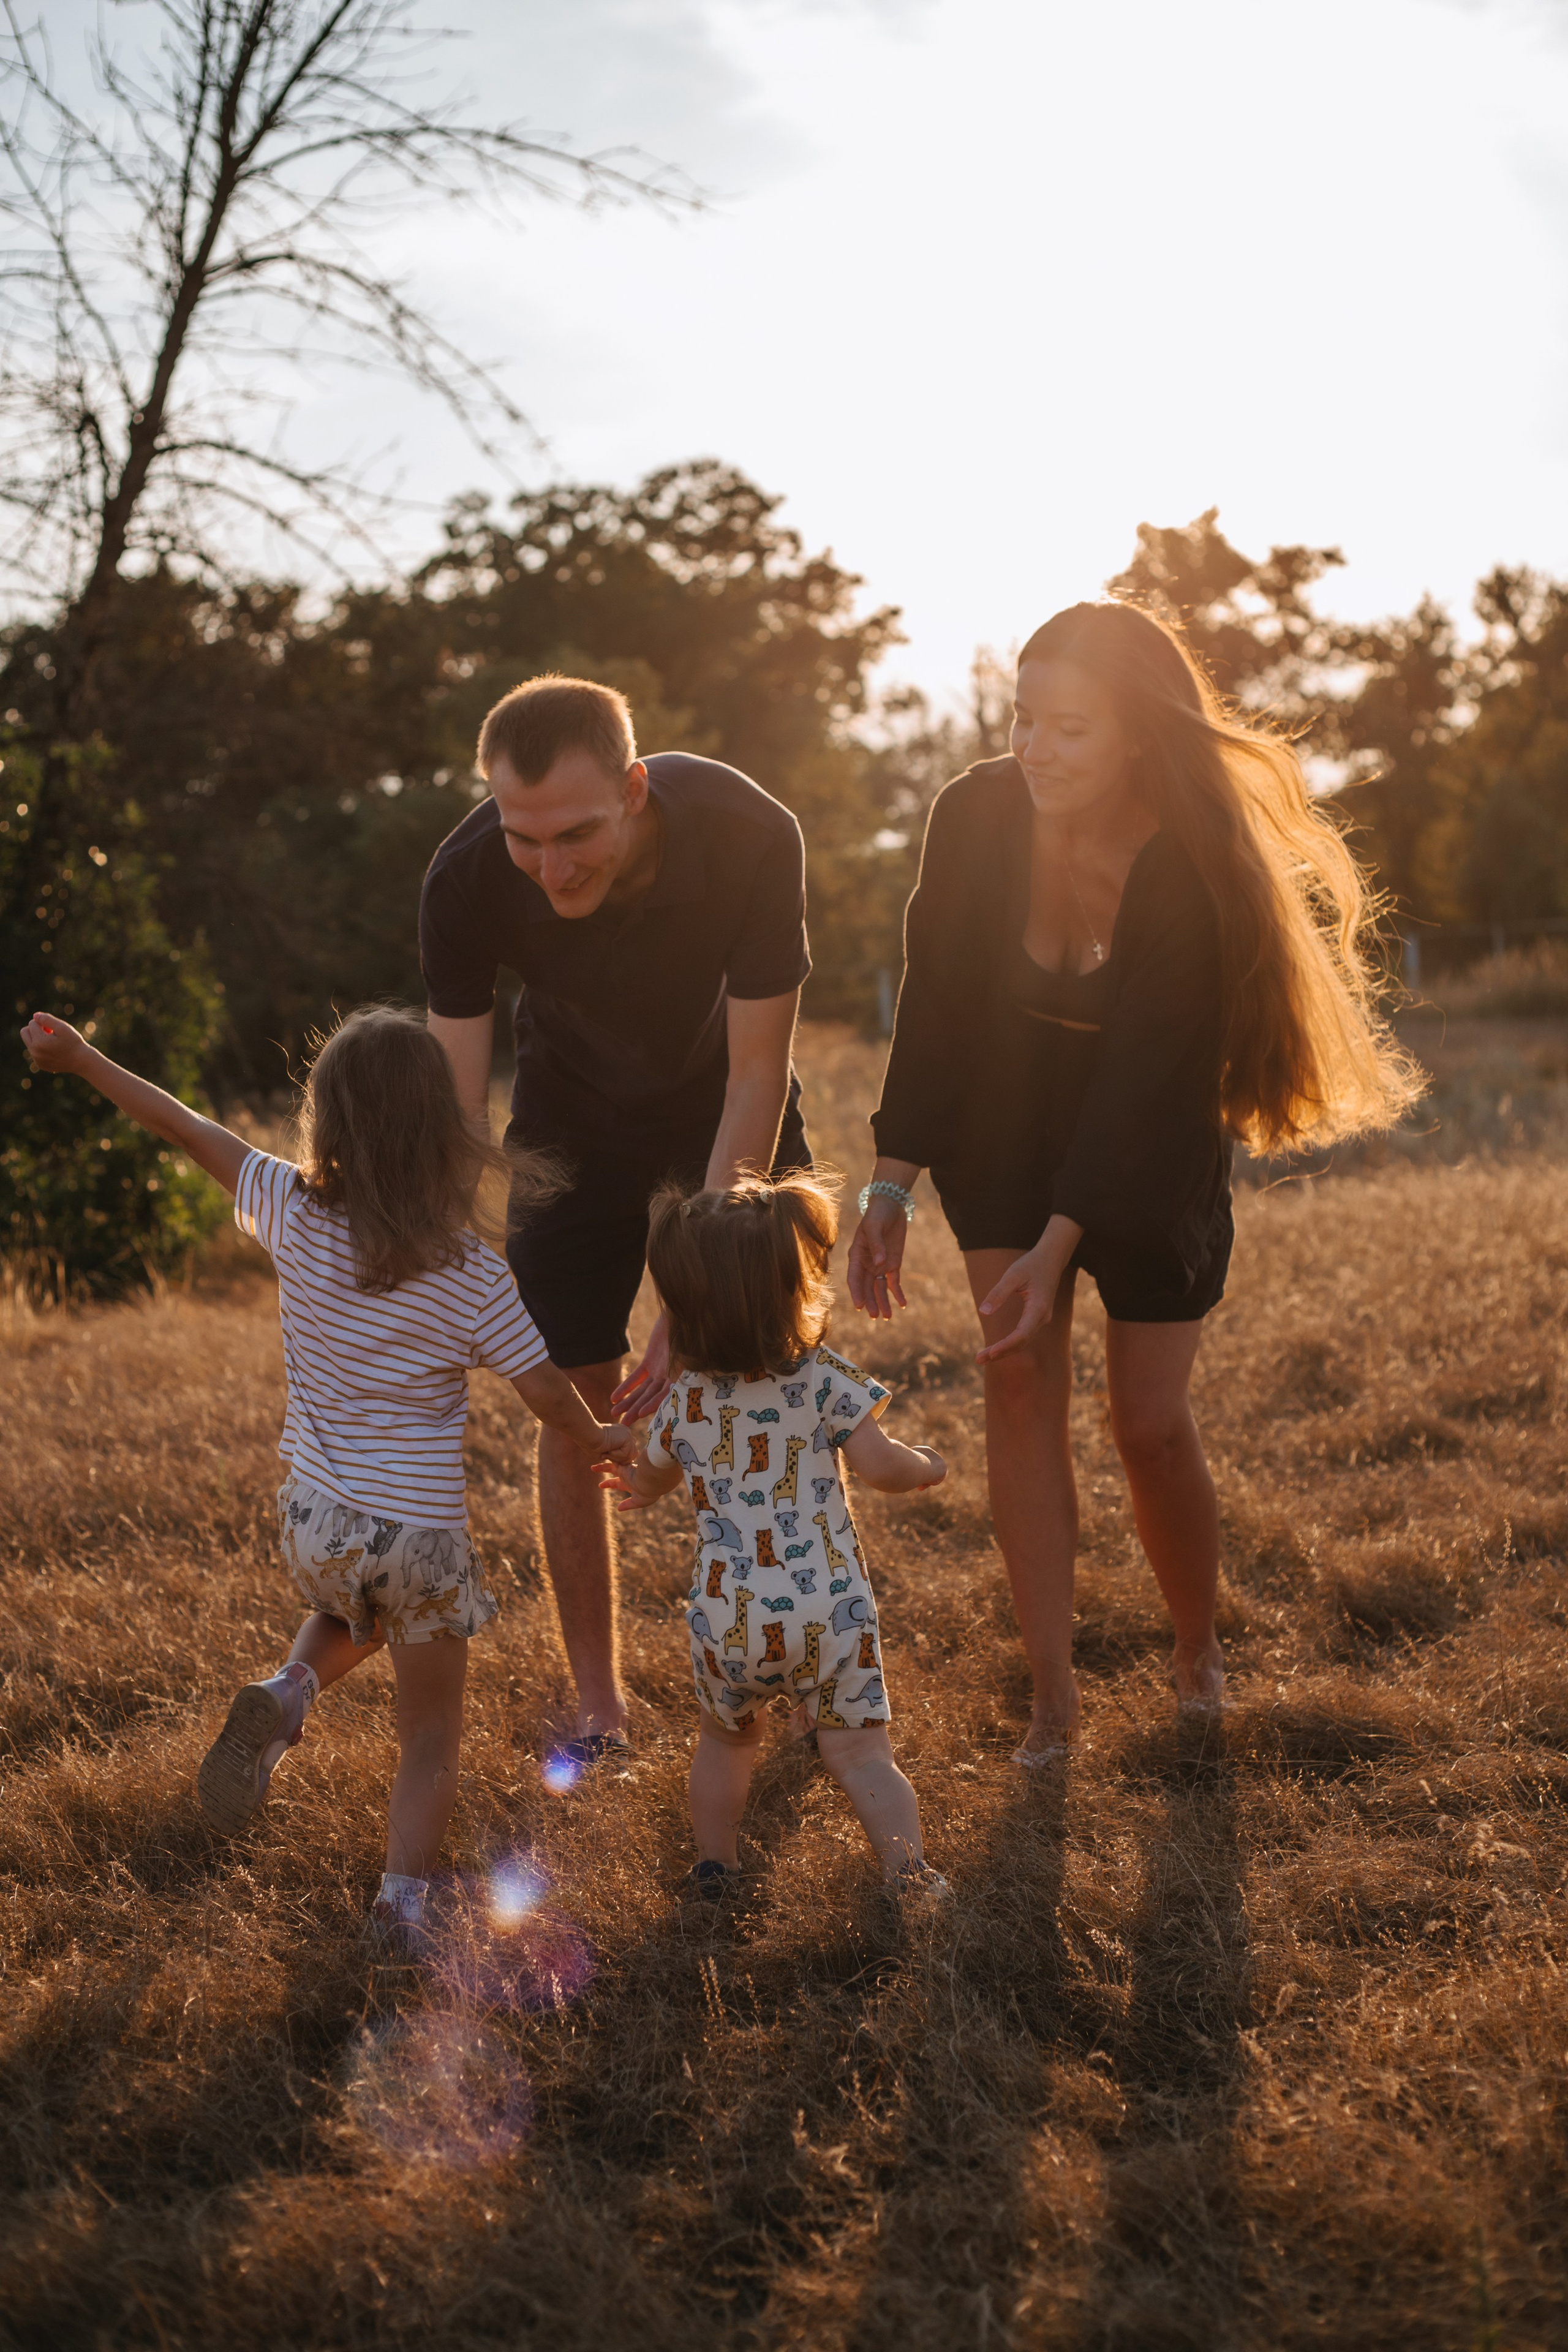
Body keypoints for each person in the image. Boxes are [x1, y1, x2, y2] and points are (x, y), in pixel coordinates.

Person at [846, 601, 1419, 1762]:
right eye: (1024, 720)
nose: (1036, 749)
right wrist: (893, 1184)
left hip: (1147, 1131)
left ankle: (1195, 1645)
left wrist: (1067, 1236)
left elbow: (1149, 1075)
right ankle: (1052, 1692)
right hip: (1002, 1119)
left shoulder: (1193, 866)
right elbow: (942, 1002)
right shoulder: (974, 817)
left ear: (1137, 739)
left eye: (1070, 729)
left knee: (1148, 1425)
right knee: (1017, 1382)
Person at [18, 1004, 636, 1941]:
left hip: (316, 1525)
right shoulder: (471, 1273)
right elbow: (548, 1393)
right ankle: (400, 1908)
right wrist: (604, 1438)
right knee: (429, 1738)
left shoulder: (290, 1209)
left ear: (329, 1121)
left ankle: (290, 1691)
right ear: (444, 1128)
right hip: (420, 1542)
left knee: (353, 1604)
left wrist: (83, 1057)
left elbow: (181, 1123)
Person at [420, 674, 812, 1767]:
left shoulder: (749, 834)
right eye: (524, 839)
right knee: (570, 1396)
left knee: (755, 1377)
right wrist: (457, 1260)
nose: (551, 869)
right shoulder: (463, 878)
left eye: (578, 834)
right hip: (570, 1116)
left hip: (720, 1100)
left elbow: (758, 1074)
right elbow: (461, 1109)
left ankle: (796, 1653)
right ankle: (601, 1702)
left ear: (634, 790)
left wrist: (693, 1298)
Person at [603, 1170, 950, 1907]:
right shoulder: (822, 1381)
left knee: (726, 1745)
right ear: (794, 1288)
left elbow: (655, 1473)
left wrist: (637, 1487)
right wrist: (925, 1467)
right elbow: (880, 1467)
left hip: (729, 1616)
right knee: (860, 1755)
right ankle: (910, 1875)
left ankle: (716, 1868)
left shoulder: (686, 1401)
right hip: (831, 1611)